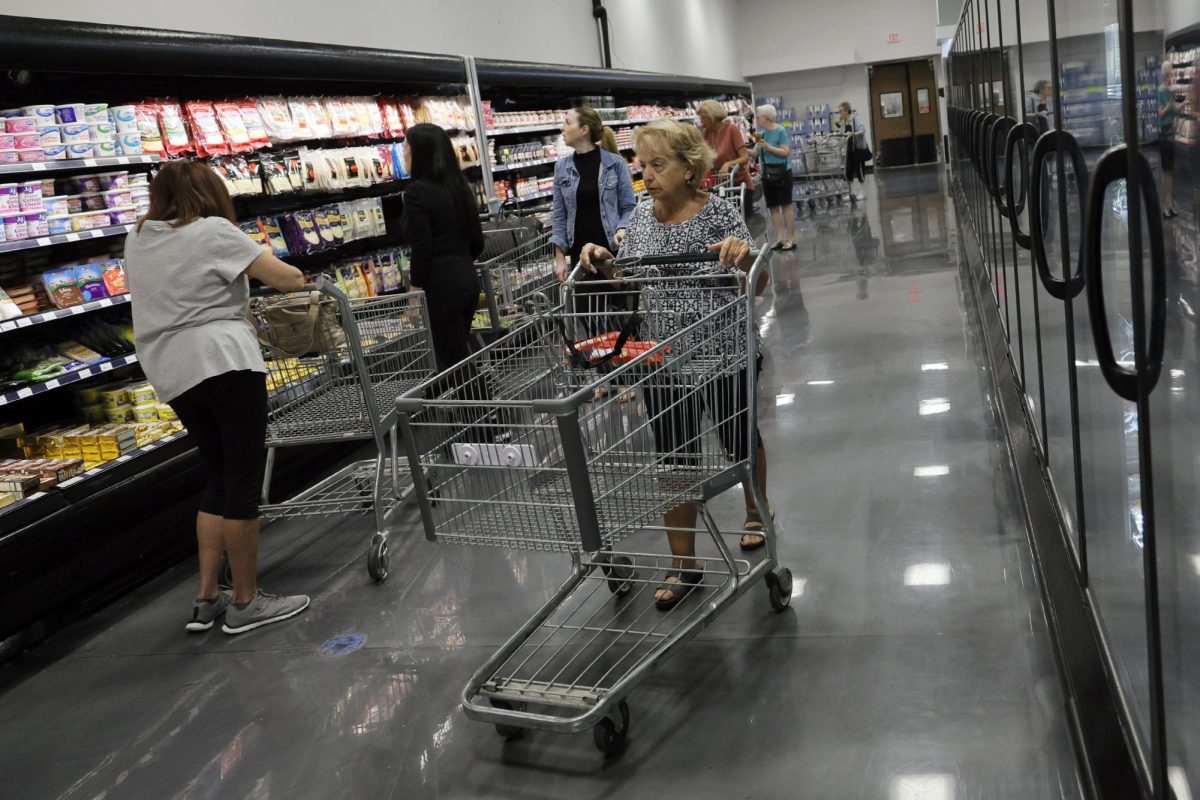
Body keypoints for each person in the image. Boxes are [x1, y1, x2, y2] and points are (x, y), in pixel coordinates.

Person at [578, 120, 774, 610]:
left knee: (739, 440)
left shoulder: (719, 213)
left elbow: (761, 281)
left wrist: (744, 257)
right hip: (661, 359)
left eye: (658, 164)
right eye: (642, 165)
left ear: (690, 168)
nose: (646, 174)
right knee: (674, 458)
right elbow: (631, 284)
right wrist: (604, 264)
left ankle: (757, 509)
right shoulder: (641, 217)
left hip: (723, 352)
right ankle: (683, 563)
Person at [124, 160, 310, 635]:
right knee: (244, 481)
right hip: (224, 362)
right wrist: (303, 278)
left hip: (172, 371)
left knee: (219, 476)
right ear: (211, 193)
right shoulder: (213, 230)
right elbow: (286, 279)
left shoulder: (139, 236)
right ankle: (247, 602)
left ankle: (207, 597)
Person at [402, 123, 486, 371]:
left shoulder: (416, 192)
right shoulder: (459, 186)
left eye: (406, 147)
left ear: (420, 152)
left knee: (454, 362)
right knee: (459, 351)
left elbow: (422, 248)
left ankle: (486, 410)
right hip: (466, 278)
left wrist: (414, 292)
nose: (404, 153)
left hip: (441, 285)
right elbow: (477, 241)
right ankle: (479, 408)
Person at [751, 103, 794, 250]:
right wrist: (741, 148)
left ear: (767, 117)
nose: (757, 118)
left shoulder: (780, 131)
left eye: (759, 116)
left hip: (782, 173)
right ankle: (780, 238)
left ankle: (790, 238)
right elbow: (755, 153)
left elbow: (785, 151)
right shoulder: (760, 134)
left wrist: (768, 147)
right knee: (773, 207)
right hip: (767, 174)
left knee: (786, 206)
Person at [698, 99, 754, 213]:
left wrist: (728, 164)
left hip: (738, 184)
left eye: (703, 117)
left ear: (712, 116)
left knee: (739, 222)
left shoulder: (731, 130)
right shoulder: (705, 133)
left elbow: (745, 157)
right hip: (718, 185)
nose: (701, 121)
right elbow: (704, 158)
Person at [1158, 63, 1180, 219]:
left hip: (1171, 135)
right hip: (1164, 136)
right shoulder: (1161, 91)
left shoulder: (1170, 91)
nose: (1172, 75)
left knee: (1171, 172)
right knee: (1166, 173)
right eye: (1171, 72)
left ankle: (1170, 204)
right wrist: (1170, 103)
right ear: (1166, 74)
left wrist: (1184, 103)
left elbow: (1174, 110)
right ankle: (1165, 205)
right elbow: (1161, 114)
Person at [837, 101, 868, 202]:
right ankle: (851, 193)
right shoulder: (843, 122)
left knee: (859, 171)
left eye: (840, 111)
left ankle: (862, 192)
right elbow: (841, 134)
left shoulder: (855, 119)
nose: (839, 113)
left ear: (846, 111)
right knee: (848, 171)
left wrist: (853, 133)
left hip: (857, 149)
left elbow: (863, 130)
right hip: (848, 150)